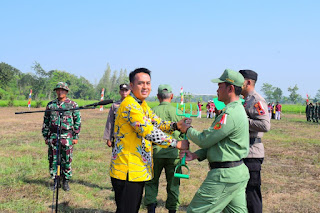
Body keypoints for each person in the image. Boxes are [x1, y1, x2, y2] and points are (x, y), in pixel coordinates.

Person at [109, 68, 189, 213]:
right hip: (128, 170)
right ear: (131, 86)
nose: (145, 87)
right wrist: (176, 143)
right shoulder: (130, 105)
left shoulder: (142, 104)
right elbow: (148, 130)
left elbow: (156, 122)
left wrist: (175, 125)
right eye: (140, 83)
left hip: (137, 168)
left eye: (148, 83)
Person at [178, 69, 250, 213]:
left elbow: (205, 139)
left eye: (220, 86)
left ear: (230, 88)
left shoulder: (230, 114)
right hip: (235, 174)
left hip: (224, 176)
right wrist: (198, 154)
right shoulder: (233, 110)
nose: (217, 90)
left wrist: (187, 129)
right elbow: (220, 142)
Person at [144, 84, 184, 213]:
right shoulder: (179, 113)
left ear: (157, 97)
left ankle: (151, 208)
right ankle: (172, 209)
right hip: (174, 154)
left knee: (151, 182)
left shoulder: (151, 111)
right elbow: (185, 135)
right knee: (173, 184)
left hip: (154, 154)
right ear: (172, 96)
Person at [239, 69, 271, 213]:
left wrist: (243, 121)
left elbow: (265, 125)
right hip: (245, 151)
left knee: (252, 194)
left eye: (239, 81)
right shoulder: (245, 100)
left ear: (248, 82)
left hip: (253, 153)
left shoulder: (256, 100)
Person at [42, 82, 81, 191]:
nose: (60, 92)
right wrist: (46, 136)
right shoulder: (51, 105)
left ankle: (65, 181)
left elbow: (77, 120)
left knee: (67, 159)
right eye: (58, 90)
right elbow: (46, 121)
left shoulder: (72, 105)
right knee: (53, 159)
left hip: (67, 135)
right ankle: (55, 181)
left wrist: (75, 136)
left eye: (62, 90)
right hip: (53, 135)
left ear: (66, 92)